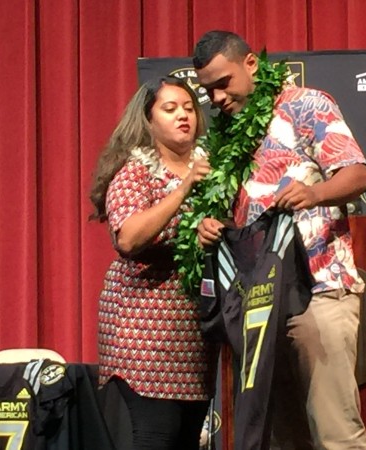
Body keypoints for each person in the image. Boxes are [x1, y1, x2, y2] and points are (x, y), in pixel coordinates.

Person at [193, 31, 366, 449]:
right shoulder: (224, 135)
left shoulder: (306, 105)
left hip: (319, 289)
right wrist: (208, 223)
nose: (217, 98)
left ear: (251, 63)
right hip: (256, 303)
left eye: (224, 83)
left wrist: (315, 194)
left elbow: (358, 174)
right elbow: (232, 208)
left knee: (335, 432)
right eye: (208, 91)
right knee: (279, 438)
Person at [90, 76, 217, 450]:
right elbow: (128, 238)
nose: (183, 116)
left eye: (189, 108)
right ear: (148, 121)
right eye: (170, 108)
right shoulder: (135, 172)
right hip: (144, 333)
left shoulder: (212, 169)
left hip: (194, 334)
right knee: (156, 436)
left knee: (187, 439)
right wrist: (183, 188)